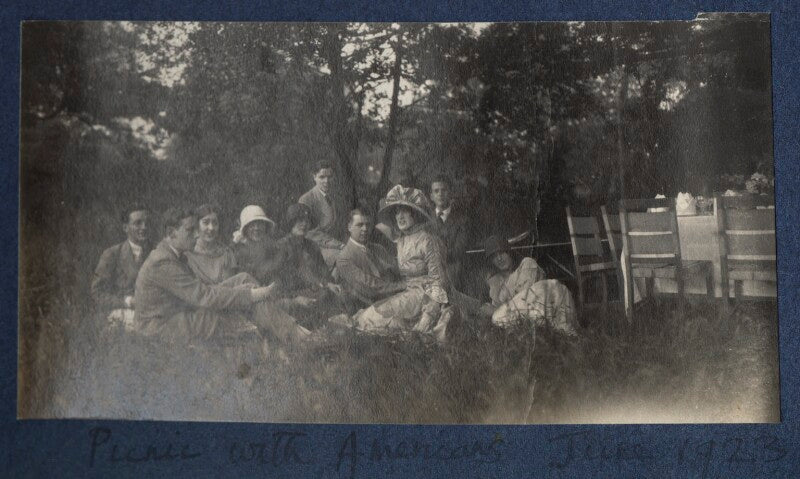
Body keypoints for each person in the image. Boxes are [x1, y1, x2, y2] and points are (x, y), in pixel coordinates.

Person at [134, 207, 310, 345]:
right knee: (228, 312)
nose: (196, 234)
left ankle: (291, 331)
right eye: (189, 230)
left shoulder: (174, 254)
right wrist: (250, 295)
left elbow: (202, 292)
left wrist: (242, 290)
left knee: (243, 278)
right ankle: (295, 334)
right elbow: (203, 296)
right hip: (161, 325)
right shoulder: (163, 262)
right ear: (171, 233)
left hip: (180, 313)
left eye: (196, 229)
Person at [354, 185, 450, 335]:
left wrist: (429, 313)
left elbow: (439, 280)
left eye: (405, 211)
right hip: (409, 292)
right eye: (397, 212)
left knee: (372, 318)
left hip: (425, 296)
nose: (400, 216)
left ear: (415, 214)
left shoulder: (427, 240)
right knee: (369, 314)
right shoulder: (402, 240)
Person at [482, 235, 577, 336]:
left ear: (509, 252)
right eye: (494, 257)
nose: (499, 259)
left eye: (501, 253)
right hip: (533, 322)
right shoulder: (496, 282)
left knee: (497, 316)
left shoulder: (527, 264)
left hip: (555, 312)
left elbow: (523, 302)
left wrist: (495, 311)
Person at [275, 203, 346, 330]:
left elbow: (324, 272)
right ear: (290, 222)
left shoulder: (312, 246)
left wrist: (329, 283)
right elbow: (278, 282)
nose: (303, 224)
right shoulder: (280, 247)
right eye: (299, 220)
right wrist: (295, 298)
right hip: (292, 296)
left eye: (306, 221)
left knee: (338, 296)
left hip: (315, 292)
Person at [91, 204, 153, 327]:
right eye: (138, 223)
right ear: (125, 227)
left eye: (147, 223)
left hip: (151, 312)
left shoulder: (155, 253)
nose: (144, 227)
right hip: (120, 315)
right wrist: (127, 301)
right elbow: (97, 293)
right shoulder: (112, 254)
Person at [334, 209, 406, 309]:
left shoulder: (378, 248)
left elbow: (399, 270)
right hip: (370, 307)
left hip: (396, 297)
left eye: (368, 225)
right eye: (360, 225)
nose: (365, 229)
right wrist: (403, 286)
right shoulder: (344, 258)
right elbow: (369, 287)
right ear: (349, 227)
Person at [298, 160, 345, 268]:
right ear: (314, 177)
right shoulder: (306, 199)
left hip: (335, 244)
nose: (326, 181)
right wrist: (339, 245)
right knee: (343, 258)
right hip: (314, 247)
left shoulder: (336, 198)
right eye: (322, 177)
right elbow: (309, 232)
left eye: (330, 177)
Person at [428, 175, 472, 290]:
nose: (440, 194)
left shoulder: (462, 220)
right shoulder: (426, 221)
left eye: (444, 190)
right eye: (436, 191)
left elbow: (459, 250)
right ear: (431, 196)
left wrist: (436, 255)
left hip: (454, 271)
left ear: (451, 193)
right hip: (429, 270)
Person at [231, 205, 285, 286]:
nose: (256, 228)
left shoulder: (268, 243)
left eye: (260, 224)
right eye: (252, 225)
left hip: (267, 283)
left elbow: (279, 257)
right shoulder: (239, 248)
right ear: (245, 228)